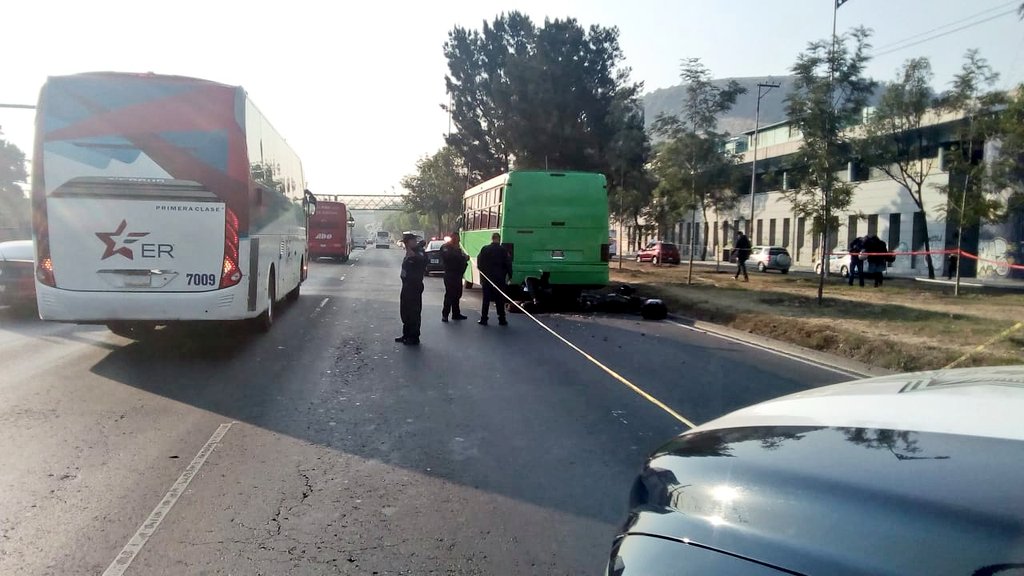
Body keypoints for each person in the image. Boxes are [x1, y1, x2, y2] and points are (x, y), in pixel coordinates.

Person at [395, 232, 427, 345]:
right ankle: (406, 334)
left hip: (415, 286)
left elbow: (423, 260)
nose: (412, 243)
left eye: (413, 241)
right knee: (405, 311)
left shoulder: (419, 252)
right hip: (406, 286)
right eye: (409, 242)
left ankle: (414, 337)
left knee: (414, 312)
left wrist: (414, 255)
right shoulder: (409, 252)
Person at [476, 232, 512, 326]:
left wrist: (482, 274)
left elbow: (479, 262)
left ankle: (484, 319)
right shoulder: (503, 250)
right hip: (499, 279)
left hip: (487, 278)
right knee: (500, 299)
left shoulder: (485, 249)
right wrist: (510, 276)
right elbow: (508, 263)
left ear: (492, 239)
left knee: (486, 299)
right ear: (499, 239)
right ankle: (502, 319)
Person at [439, 232, 470, 322]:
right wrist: (463, 257)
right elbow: (449, 257)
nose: (458, 241)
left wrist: (464, 258)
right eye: (457, 239)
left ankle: (456, 314)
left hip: (458, 275)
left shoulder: (457, 249)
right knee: (449, 295)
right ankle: (445, 314)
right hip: (450, 274)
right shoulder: (446, 247)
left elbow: (460, 259)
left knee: (457, 294)